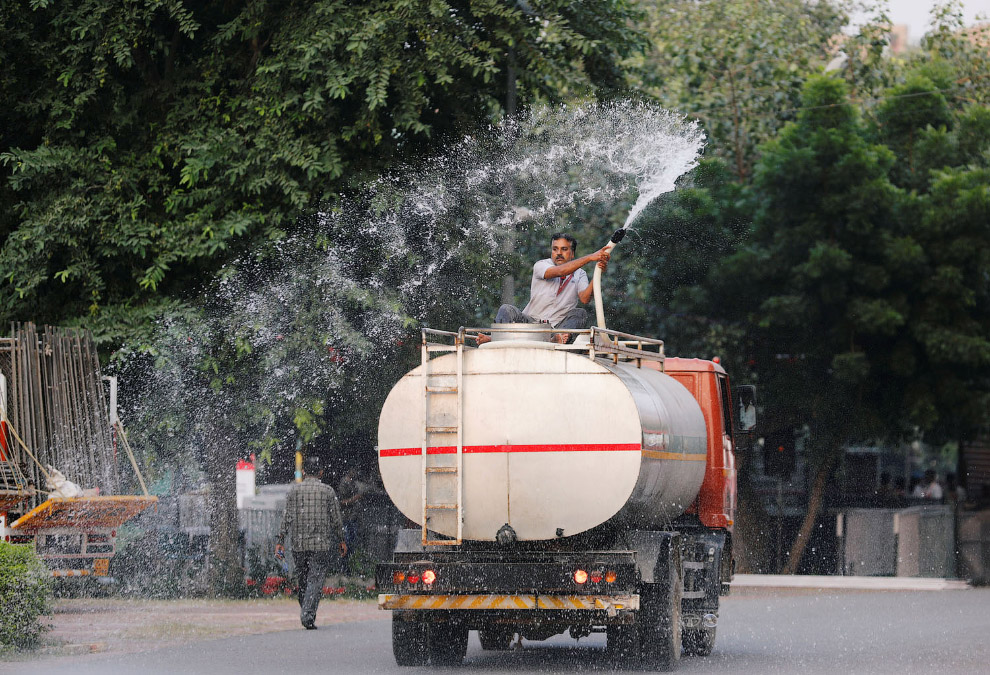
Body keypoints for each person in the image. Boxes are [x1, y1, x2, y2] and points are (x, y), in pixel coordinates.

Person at [478, 232, 610, 345]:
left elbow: (585, 298)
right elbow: (559, 271)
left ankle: (558, 339)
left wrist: (597, 274)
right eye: (555, 249)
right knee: (506, 309)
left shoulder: (580, 274)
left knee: (580, 313)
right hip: (530, 324)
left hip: (557, 330)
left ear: (572, 253)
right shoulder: (541, 265)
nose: (559, 253)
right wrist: (590, 257)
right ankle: (494, 339)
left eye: (564, 249)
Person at [275, 455, 347, 630]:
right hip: (321, 544)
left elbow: (286, 517)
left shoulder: (294, 491)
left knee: (303, 579)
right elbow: (336, 519)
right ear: (321, 472)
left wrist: (280, 540)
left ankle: (306, 610)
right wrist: (341, 539)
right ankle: (307, 614)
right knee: (315, 579)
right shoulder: (328, 491)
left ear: (304, 472)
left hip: (298, 544)